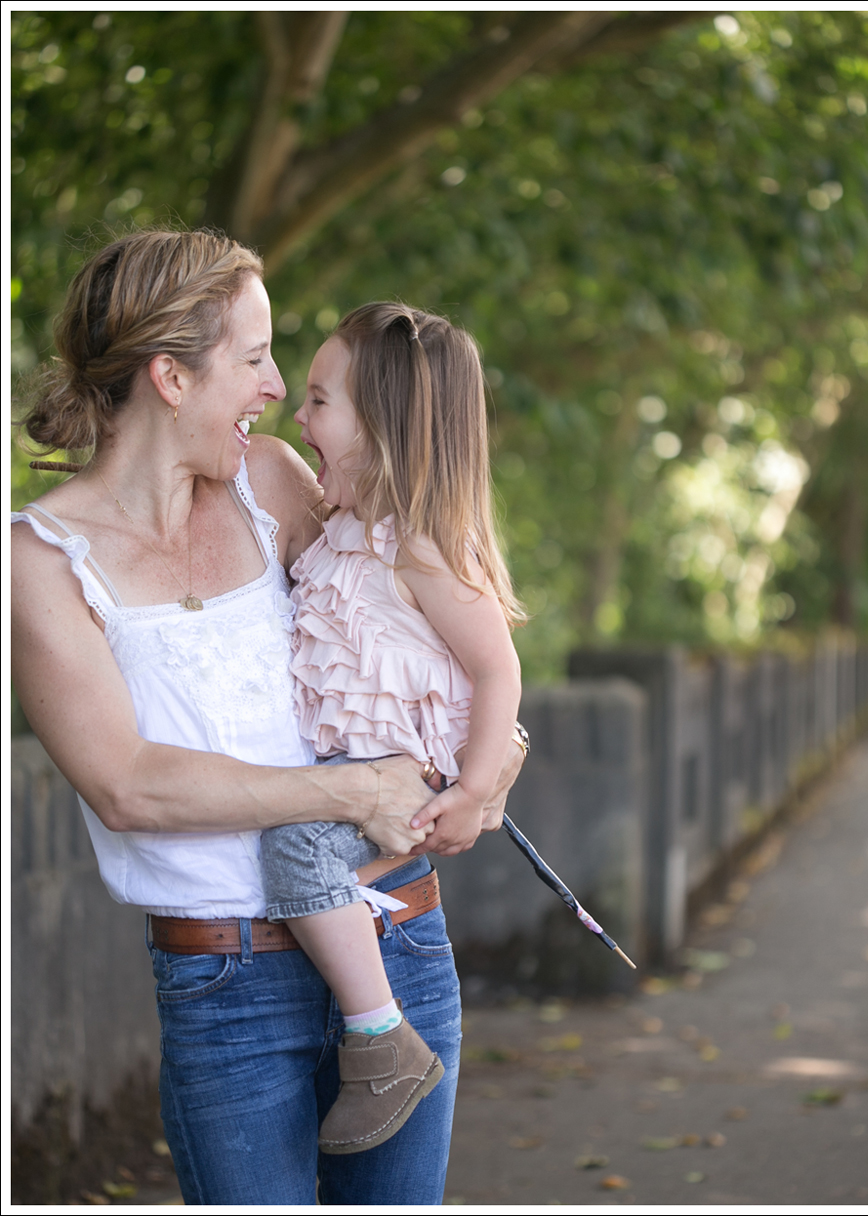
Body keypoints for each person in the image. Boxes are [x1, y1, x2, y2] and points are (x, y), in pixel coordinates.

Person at [10, 229, 524, 1206]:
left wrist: (485, 756)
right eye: (253, 357)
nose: (276, 385)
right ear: (170, 376)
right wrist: (347, 790)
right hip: (227, 990)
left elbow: (415, 624)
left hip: (396, 938)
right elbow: (125, 783)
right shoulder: (38, 561)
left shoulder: (276, 483)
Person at [261, 303, 524, 1155]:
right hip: (364, 773)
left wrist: (477, 787)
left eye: (319, 402)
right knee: (299, 855)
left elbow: (496, 668)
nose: (296, 418)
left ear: (385, 428)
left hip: (410, 773)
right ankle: (368, 1012)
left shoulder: (421, 546)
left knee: (294, 852)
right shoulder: (342, 532)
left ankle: (380, 1041)